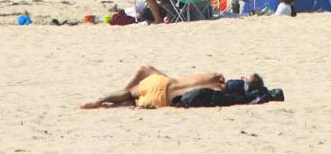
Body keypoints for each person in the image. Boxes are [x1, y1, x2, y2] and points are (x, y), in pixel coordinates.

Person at [80, 65, 227, 109]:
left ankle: (105, 98)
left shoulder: (212, 75)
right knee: (132, 101)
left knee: (144, 70)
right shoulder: (216, 90)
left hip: (162, 82)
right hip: (162, 99)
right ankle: (110, 105)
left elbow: (217, 74)